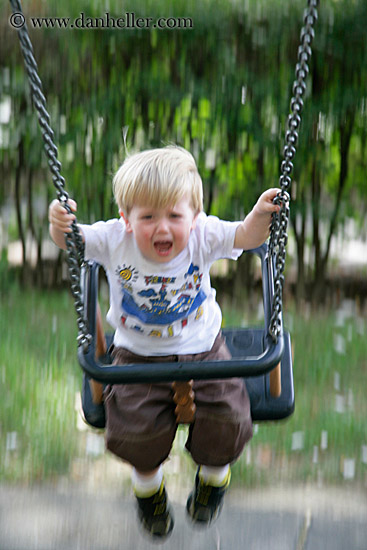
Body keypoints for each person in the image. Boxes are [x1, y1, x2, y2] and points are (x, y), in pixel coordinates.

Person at [49, 145, 281, 540]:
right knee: (135, 433)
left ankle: (213, 479)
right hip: (136, 356)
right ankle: (149, 492)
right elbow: (71, 242)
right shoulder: (112, 240)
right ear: (125, 218)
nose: (162, 228)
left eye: (174, 215)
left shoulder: (203, 235)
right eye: (148, 217)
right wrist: (60, 223)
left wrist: (261, 216)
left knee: (229, 420)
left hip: (205, 349)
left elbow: (246, 236)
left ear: (193, 216)